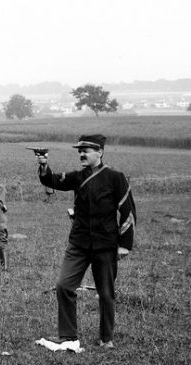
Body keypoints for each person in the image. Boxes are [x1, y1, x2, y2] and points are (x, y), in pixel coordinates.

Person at [37, 134, 137, 349]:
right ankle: (68, 336)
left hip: (106, 246)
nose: (81, 154)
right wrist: (43, 164)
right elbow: (50, 180)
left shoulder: (116, 177)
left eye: (87, 150)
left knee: (106, 293)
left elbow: (127, 211)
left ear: (100, 152)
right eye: (79, 150)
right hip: (79, 244)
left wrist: (124, 244)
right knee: (63, 286)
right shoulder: (77, 176)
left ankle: (106, 338)